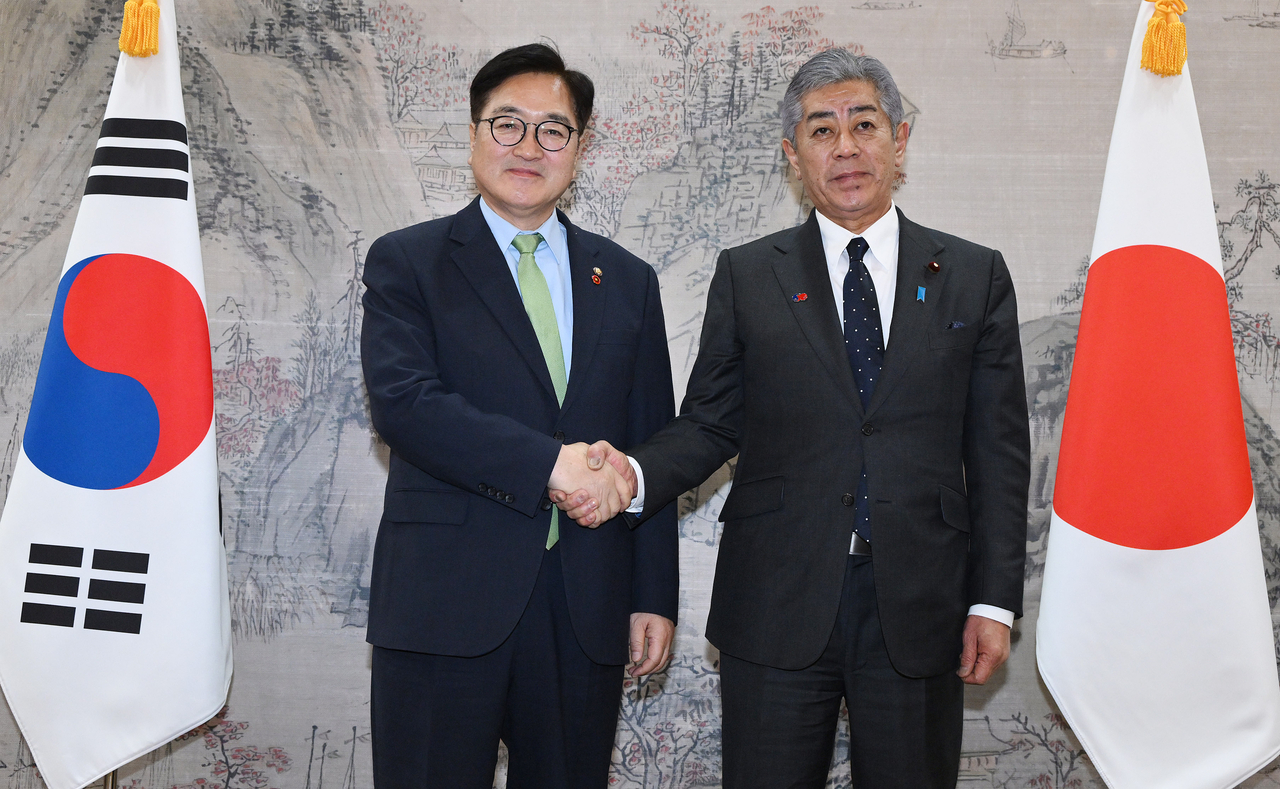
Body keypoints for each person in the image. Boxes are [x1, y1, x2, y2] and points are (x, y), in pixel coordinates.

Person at [554, 49, 1030, 788]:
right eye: (820, 130)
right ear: (792, 155)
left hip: (921, 603)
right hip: (775, 601)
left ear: (899, 140)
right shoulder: (749, 274)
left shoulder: (974, 274)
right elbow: (711, 423)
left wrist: (993, 600)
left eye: (863, 123)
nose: (845, 147)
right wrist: (635, 473)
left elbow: (999, 454)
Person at [360, 43, 678, 789]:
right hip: (444, 601)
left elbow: (651, 439)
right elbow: (407, 406)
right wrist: (549, 462)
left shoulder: (627, 280)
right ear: (473, 135)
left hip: (585, 605)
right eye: (508, 125)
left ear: (580, 148)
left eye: (553, 130)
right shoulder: (408, 261)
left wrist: (652, 595)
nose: (529, 147)